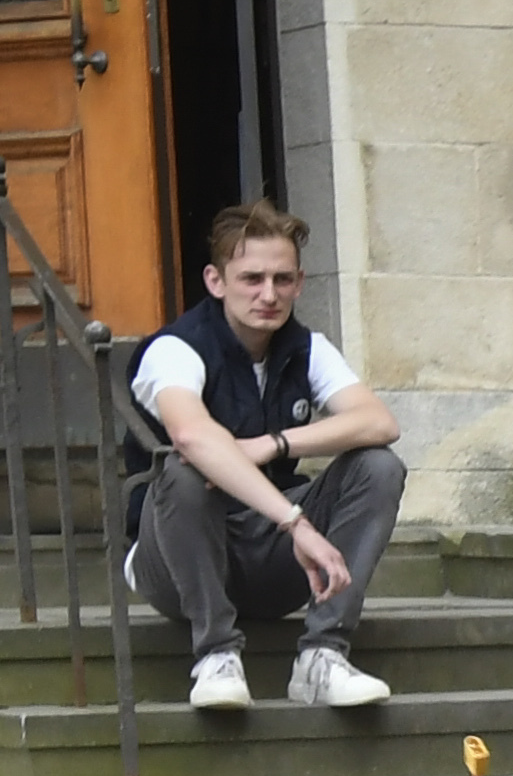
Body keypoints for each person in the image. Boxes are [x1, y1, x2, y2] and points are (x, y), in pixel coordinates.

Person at [127, 200, 402, 714]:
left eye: (282, 279)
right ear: (215, 281)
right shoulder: (175, 348)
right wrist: (296, 522)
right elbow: (190, 435)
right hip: (176, 563)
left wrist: (273, 444)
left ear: (299, 283)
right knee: (186, 472)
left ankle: (322, 656)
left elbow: (379, 422)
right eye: (251, 278)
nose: (269, 294)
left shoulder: (306, 348)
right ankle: (215, 657)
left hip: (271, 562)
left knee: (378, 465)